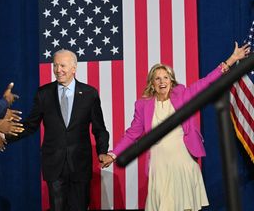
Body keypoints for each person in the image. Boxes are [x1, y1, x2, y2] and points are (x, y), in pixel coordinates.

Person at [102, 42, 250, 211]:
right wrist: (113, 155)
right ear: (152, 83)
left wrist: (232, 59)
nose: (162, 81)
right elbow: (132, 134)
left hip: (183, 161)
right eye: (157, 78)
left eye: (165, 77)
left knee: (184, 206)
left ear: (171, 80)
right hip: (159, 165)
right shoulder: (143, 105)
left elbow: (208, 82)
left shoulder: (183, 94)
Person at [14, 49, 110, 210]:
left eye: (63, 65)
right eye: (55, 65)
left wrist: (102, 150)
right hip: (54, 164)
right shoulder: (43, 93)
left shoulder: (89, 94)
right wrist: (3, 135)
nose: (58, 70)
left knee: (79, 206)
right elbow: (31, 125)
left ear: (74, 68)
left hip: (80, 164)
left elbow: (99, 128)